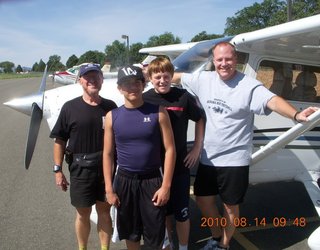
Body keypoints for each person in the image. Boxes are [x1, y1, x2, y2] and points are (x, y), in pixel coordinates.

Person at [172, 42, 318, 250]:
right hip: (208, 157)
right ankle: (215, 236)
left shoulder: (248, 85)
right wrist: (151, 73)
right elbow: (177, 76)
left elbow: (273, 101)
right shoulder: (203, 79)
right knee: (203, 201)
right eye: (220, 60)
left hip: (234, 159)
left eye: (228, 59)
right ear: (214, 62)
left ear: (236, 60)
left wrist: (296, 114)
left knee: (231, 207)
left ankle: (224, 244)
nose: (224, 64)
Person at [103, 65, 176, 250]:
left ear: (143, 85)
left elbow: (170, 150)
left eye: (137, 83)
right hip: (125, 181)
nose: (132, 87)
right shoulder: (112, 116)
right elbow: (108, 154)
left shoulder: (159, 112)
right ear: (120, 88)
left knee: (156, 233)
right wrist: (109, 188)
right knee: (131, 232)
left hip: (152, 181)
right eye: (127, 84)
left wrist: (166, 186)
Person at [50, 63, 117, 250]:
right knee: (83, 213)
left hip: (106, 169)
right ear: (80, 81)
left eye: (96, 76)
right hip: (80, 169)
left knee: (105, 212)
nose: (92, 80)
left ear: (102, 80)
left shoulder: (111, 107)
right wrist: (58, 170)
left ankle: (104, 248)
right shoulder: (69, 108)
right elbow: (60, 140)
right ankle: (82, 248)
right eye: (87, 77)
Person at [143, 57, 205, 250]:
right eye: (157, 77)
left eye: (166, 76)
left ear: (172, 76)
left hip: (179, 167)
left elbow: (201, 118)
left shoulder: (183, 97)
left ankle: (184, 247)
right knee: (164, 213)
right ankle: (169, 243)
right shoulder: (145, 99)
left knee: (182, 214)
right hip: (155, 169)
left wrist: (196, 147)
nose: (162, 80)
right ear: (151, 78)